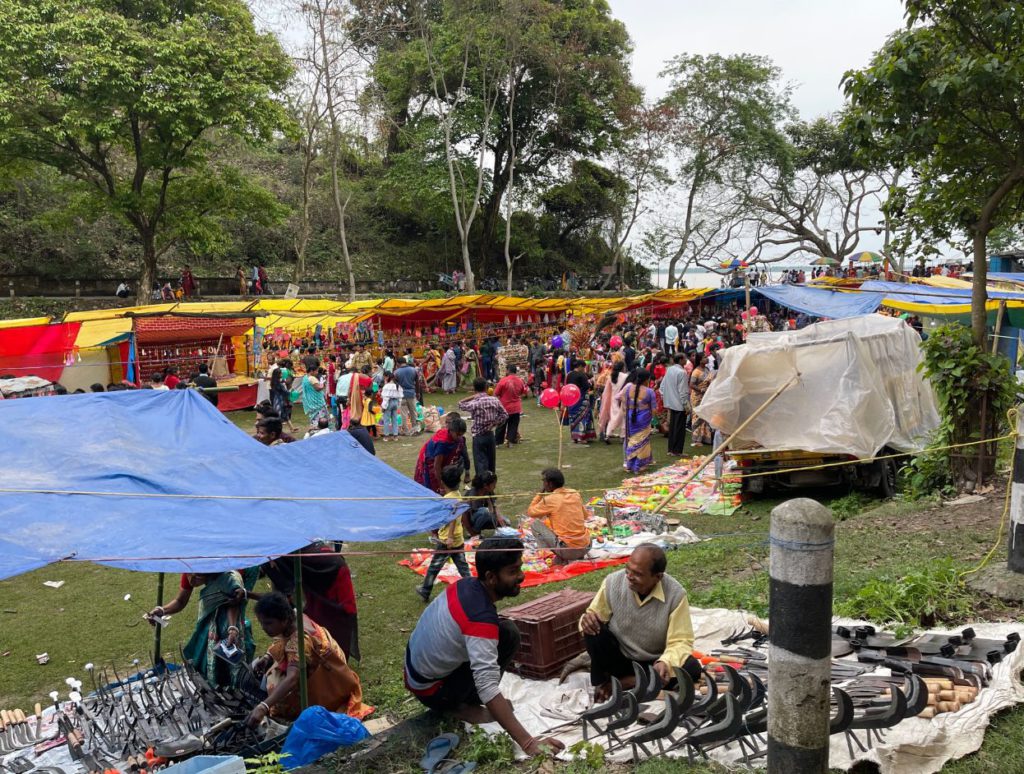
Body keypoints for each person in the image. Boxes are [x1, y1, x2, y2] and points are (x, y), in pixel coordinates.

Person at [404, 537, 564, 757]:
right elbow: (487, 687)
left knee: (506, 631)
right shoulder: (480, 619)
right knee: (506, 635)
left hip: (416, 671)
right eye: (512, 571)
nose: (521, 576)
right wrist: (529, 743)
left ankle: (467, 701)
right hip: (431, 689)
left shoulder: (466, 584)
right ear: (490, 577)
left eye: (520, 567)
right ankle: (458, 707)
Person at [580, 545, 701, 702]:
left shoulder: (675, 594)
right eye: (628, 569)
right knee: (594, 630)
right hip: (620, 658)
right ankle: (612, 680)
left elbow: (681, 640)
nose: (629, 576)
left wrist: (665, 661)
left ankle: (629, 682)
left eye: (637, 574)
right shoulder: (613, 582)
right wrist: (587, 620)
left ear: (657, 577)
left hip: (652, 663)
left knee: (691, 668)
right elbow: (594, 615)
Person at [247, 592, 372, 726]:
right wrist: (268, 656)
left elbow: (292, 678)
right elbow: (283, 640)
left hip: (328, 681)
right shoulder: (296, 617)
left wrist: (264, 706)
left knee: (272, 685)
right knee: (265, 669)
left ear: (283, 620)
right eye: (261, 623)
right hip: (329, 664)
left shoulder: (299, 642)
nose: (264, 628)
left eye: (268, 623)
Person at [147, 570, 258, 689]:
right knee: (206, 652)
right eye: (189, 575)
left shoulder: (229, 578)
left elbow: (233, 602)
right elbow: (180, 601)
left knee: (231, 660)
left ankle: (235, 688)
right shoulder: (191, 569)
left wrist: (232, 628)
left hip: (231, 619)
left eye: (198, 576)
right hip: (211, 623)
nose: (192, 579)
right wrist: (162, 610)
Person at [258, 542, 360, 660]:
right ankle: (322, 655)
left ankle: (336, 661)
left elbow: (282, 599)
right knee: (315, 618)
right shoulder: (273, 557)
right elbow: (281, 597)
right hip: (310, 577)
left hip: (332, 573)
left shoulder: (273, 555)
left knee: (335, 619)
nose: (264, 628)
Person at [416, 465, 472, 602]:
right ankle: (473, 589)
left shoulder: (448, 500)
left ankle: (425, 590)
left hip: (447, 540)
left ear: (443, 482)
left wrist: (450, 537)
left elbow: (452, 518)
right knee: (463, 567)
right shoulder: (457, 496)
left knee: (434, 566)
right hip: (458, 539)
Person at [525, 468, 590, 564]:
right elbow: (585, 516)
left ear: (550, 484)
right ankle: (566, 554)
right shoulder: (574, 493)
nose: (543, 484)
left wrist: (539, 494)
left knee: (535, 524)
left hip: (568, 551)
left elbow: (530, 512)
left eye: (544, 481)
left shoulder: (549, 499)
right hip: (586, 546)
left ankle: (547, 553)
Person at [458, 377, 508, 477]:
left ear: (474, 388)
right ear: (486, 387)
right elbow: (505, 415)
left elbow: (460, 404)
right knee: (491, 463)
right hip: (490, 435)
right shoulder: (494, 400)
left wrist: (473, 396)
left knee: (480, 464)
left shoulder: (475, 403)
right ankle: (490, 486)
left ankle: (482, 486)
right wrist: (494, 423)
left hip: (478, 436)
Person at [414, 416, 471, 494]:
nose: (459, 437)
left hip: (442, 462)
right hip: (431, 462)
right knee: (433, 489)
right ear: (451, 431)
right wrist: (441, 486)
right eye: (458, 434)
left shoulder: (459, 439)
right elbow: (437, 466)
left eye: (462, 434)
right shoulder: (442, 443)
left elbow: (462, 456)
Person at [622, 369, 655, 473]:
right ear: (646, 379)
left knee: (632, 440)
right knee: (642, 442)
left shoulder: (627, 389)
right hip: (644, 419)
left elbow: (623, 405)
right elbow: (654, 409)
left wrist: (626, 416)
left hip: (630, 417)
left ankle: (629, 464)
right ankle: (638, 465)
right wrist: (652, 419)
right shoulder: (650, 392)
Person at [660, 353, 690, 456]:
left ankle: (671, 449)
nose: (686, 360)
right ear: (681, 360)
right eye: (685, 358)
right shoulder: (682, 372)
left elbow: (662, 387)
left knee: (673, 427)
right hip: (679, 404)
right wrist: (686, 405)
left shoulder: (669, 370)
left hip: (671, 403)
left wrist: (666, 398)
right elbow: (683, 391)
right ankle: (677, 450)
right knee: (679, 429)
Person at [564, 359, 596, 444]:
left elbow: (566, 385)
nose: (584, 369)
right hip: (581, 400)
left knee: (573, 417)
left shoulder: (569, 374)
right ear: (580, 366)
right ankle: (581, 437)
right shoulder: (582, 375)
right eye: (584, 367)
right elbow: (586, 387)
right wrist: (591, 382)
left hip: (571, 399)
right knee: (583, 417)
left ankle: (575, 436)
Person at [494, 364, 527, 446]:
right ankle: (510, 441)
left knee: (501, 426)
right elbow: (523, 392)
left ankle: (497, 443)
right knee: (513, 425)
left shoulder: (503, 380)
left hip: (504, 407)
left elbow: (496, 393)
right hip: (516, 407)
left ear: (508, 370)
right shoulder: (520, 381)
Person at [598, 360, 628, 443]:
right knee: (623, 419)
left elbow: (607, 390)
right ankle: (622, 436)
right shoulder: (625, 376)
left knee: (613, 418)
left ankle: (608, 434)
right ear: (622, 367)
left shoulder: (611, 376)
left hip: (613, 399)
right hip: (622, 399)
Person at [689, 354, 715, 446]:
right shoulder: (696, 371)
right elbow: (691, 385)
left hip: (706, 396)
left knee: (705, 415)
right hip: (697, 397)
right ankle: (696, 439)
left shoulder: (707, 370)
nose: (707, 358)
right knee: (697, 416)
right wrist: (701, 390)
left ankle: (705, 438)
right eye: (704, 357)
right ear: (700, 360)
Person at [394, 357, 421, 436]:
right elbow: (417, 382)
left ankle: (405, 430)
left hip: (401, 395)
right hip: (411, 394)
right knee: (413, 412)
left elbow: (396, 385)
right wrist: (418, 393)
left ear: (398, 363)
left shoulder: (396, 372)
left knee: (404, 413)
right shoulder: (414, 370)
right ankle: (415, 429)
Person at [300, 360, 329, 428]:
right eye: (316, 371)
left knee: (314, 419)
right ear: (311, 371)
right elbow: (318, 388)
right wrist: (323, 384)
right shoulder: (312, 378)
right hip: (316, 402)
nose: (317, 373)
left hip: (310, 401)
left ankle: (315, 429)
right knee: (320, 418)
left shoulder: (305, 377)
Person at [380, 372, 402, 441]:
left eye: (384, 377)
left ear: (387, 377)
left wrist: (383, 407)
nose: (384, 379)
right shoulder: (397, 385)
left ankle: (386, 436)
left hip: (389, 402)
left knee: (386, 420)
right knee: (394, 419)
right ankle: (395, 436)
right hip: (395, 402)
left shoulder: (386, 386)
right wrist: (399, 404)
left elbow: (386, 398)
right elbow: (400, 396)